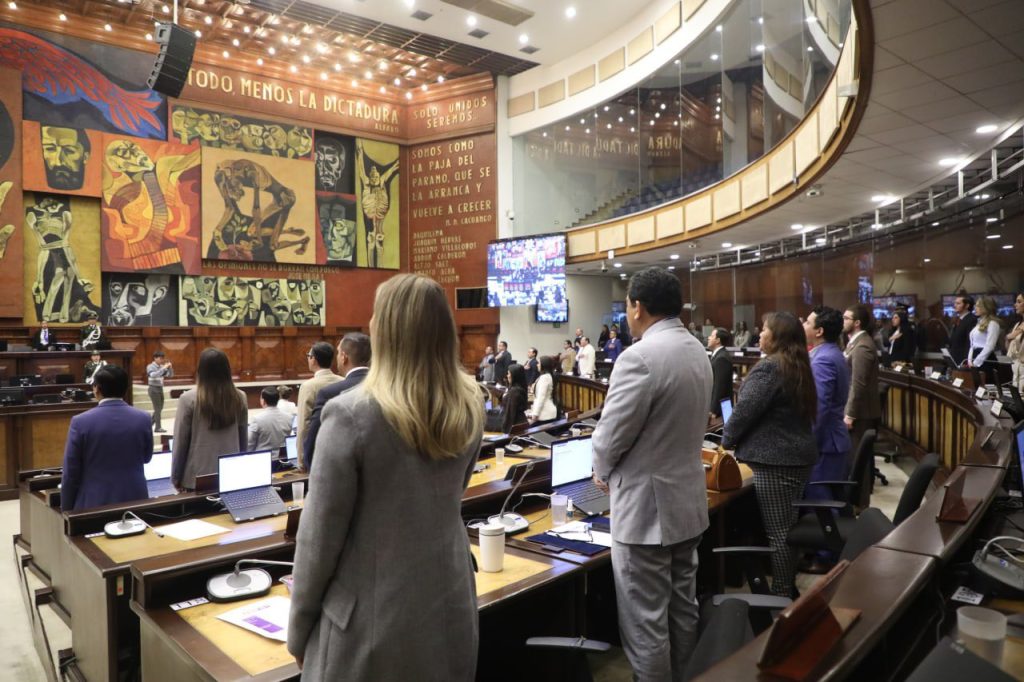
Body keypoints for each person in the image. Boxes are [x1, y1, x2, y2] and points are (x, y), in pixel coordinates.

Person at [287, 274, 482, 679]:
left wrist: (299, 630)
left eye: (376, 314)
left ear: (389, 330)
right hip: (449, 604)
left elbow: (319, 539)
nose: (371, 322)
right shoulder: (470, 403)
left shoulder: (350, 414)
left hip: (370, 626)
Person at [591, 266, 712, 680]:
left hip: (645, 515)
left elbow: (608, 440)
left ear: (638, 307)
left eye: (627, 306)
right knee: (682, 612)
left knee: (646, 628)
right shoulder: (698, 349)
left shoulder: (639, 357)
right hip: (687, 504)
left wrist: (601, 472)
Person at [723, 312, 818, 598]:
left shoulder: (770, 368)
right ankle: (784, 587)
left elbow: (743, 414)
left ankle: (781, 595)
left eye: (764, 330)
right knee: (784, 527)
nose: (760, 335)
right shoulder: (797, 364)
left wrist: (726, 441)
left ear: (777, 337)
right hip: (793, 457)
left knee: (779, 532)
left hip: (775, 462)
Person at [61, 365, 153, 511]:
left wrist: (66, 507)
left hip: (95, 501)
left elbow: (70, 472)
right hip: (136, 497)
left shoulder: (80, 421)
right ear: (126, 388)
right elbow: (146, 457)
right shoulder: (144, 418)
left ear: (96, 389)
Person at [803, 307, 852, 571]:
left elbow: (818, 409)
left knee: (823, 505)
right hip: (833, 439)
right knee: (826, 502)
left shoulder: (822, 359)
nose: (804, 323)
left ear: (819, 331)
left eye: (808, 321)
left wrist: (805, 445)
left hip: (825, 443)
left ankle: (826, 558)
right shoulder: (831, 353)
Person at [170, 348, 248, 490]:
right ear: (227, 370)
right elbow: (243, 439)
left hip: (197, 478)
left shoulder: (188, 399)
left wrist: (175, 477)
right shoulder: (240, 397)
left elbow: (180, 442)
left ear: (200, 370)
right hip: (231, 474)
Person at [303, 333, 371, 470]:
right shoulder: (387, 389)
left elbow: (312, 446)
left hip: (341, 475)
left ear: (344, 357)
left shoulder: (329, 393)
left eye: (338, 353)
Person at [843, 304, 881, 508]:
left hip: (861, 413)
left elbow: (858, 384)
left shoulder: (863, 346)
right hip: (859, 411)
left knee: (859, 461)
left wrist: (850, 414)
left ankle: (860, 505)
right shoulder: (854, 344)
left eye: (846, 318)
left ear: (857, 323)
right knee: (855, 460)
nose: (843, 322)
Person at [296, 341, 341, 462]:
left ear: (313, 359)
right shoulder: (343, 381)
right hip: (342, 446)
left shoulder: (308, 386)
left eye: (308, 356)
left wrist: (301, 458)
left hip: (318, 451)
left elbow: (304, 424)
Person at [248, 387, 294, 452]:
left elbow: (250, 445)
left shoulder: (256, 419)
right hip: (283, 458)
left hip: (264, 459)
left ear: (263, 401)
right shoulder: (289, 417)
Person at [967, 296, 1001, 369]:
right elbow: (972, 345)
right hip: (975, 357)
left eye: (978, 306)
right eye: (975, 305)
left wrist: (976, 362)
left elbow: (990, 346)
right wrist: (969, 360)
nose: (975, 307)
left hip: (986, 360)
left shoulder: (993, 323)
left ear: (986, 307)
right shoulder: (979, 323)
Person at [708, 327, 734, 418]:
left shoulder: (721, 358)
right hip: (720, 407)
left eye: (711, 336)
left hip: (721, 409)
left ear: (718, 340)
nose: (709, 338)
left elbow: (719, 386)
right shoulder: (718, 355)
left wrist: (713, 410)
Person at [146, 350, 174, 433]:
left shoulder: (161, 367)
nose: (162, 360)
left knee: (159, 408)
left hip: (160, 388)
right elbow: (153, 375)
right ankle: (158, 427)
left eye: (162, 358)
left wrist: (170, 368)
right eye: (160, 358)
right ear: (155, 358)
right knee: (157, 409)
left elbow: (170, 375)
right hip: (153, 388)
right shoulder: (150, 366)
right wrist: (163, 368)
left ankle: (149, 424)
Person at [947, 294, 976, 367]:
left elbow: (969, 342)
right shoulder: (957, 319)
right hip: (954, 359)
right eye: (955, 303)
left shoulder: (971, 319)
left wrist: (966, 361)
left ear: (967, 305)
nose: (955, 305)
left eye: (958, 303)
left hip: (963, 361)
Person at [528, 356, 558, 424]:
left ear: (543, 365)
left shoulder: (545, 378)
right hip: (545, 412)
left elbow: (541, 397)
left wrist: (535, 414)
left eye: (538, 363)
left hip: (545, 414)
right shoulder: (545, 376)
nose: (537, 365)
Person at [501, 363, 529, 434]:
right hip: (521, 423)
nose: (507, 376)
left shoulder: (514, 391)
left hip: (515, 425)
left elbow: (510, 413)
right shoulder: (519, 388)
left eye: (509, 374)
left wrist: (505, 429)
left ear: (515, 375)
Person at [1007, 294, 1024, 392]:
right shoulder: (1017, 324)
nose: (1015, 305)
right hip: (1016, 373)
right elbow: (1009, 349)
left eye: (1019, 301)